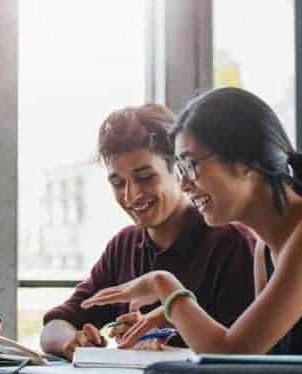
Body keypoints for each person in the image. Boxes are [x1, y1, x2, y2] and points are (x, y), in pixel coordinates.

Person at [82, 87, 302, 374]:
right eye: (180, 168)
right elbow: (255, 365)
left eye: (191, 165)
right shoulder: (266, 247)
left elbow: (229, 355)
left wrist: (164, 287)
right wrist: (169, 318)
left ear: (245, 161)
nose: (183, 183)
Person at [41, 103, 256, 360]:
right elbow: (56, 325)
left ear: (178, 170)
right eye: (118, 183)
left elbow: (240, 354)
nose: (130, 195)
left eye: (145, 177)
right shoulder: (124, 245)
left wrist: (159, 347)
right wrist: (71, 342)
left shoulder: (232, 243)